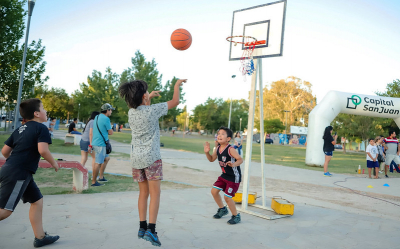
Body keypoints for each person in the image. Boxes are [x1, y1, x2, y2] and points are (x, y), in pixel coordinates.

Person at [118, 78, 187, 247]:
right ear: (143, 96)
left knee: (143, 193)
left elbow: (143, 109)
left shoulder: (131, 113)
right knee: (155, 194)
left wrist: (149, 98)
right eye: (147, 92)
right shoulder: (152, 111)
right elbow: (175, 101)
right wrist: (176, 85)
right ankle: (152, 230)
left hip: (136, 159)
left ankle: (142, 228)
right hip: (152, 158)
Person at [0, 98, 60, 247]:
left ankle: (40, 237)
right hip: (19, 173)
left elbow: (5, 151)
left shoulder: (20, 129)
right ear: (37, 113)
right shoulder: (41, 128)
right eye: (44, 108)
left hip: (15, 170)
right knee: (5, 211)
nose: (46, 111)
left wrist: (14, 163)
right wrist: (53, 162)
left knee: (36, 200)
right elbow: (43, 150)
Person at [204, 126, 243, 225]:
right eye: (218, 134)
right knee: (214, 191)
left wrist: (233, 164)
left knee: (227, 197)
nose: (219, 135)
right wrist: (207, 153)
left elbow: (240, 159)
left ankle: (236, 216)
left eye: (222, 134)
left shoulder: (231, 149)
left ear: (228, 139)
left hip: (234, 177)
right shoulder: (217, 149)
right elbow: (211, 159)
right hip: (224, 175)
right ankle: (223, 209)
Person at [91, 104, 114, 186]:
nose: (111, 112)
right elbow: (110, 132)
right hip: (101, 144)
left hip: (96, 142)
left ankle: (101, 177)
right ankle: (94, 181)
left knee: (106, 158)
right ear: (107, 110)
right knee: (98, 163)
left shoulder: (97, 117)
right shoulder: (106, 119)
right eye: (111, 110)